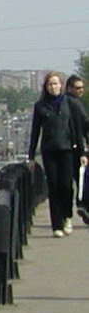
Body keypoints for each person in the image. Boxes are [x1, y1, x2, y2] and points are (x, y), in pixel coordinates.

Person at [29, 71, 82, 236]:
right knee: (53, 186)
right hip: (49, 150)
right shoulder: (40, 106)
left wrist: (82, 153)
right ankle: (56, 225)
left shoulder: (70, 103)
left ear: (61, 85)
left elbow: (76, 129)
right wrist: (30, 156)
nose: (53, 87)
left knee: (66, 186)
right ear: (46, 87)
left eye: (56, 83)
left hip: (67, 150)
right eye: (50, 84)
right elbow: (35, 131)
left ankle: (67, 217)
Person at [65, 75, 89, 222]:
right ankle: (83, 205)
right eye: (78, 88)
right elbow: (85, 124)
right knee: (82, 177)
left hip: (67, 146)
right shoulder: (75, 104)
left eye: (82, 87)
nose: (81, 90)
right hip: (76, 147)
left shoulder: (64, 102)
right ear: (69, 88)